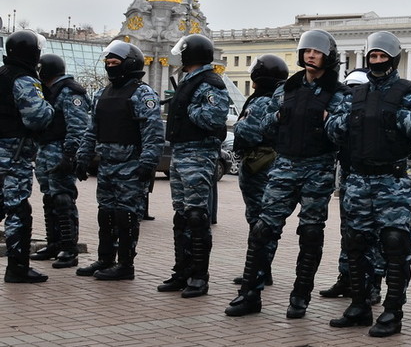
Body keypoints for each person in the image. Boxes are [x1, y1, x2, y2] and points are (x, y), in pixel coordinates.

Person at [225, 30, 349, 319]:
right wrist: (278, 118)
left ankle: (300, 297)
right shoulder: (286, 89)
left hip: (317, 170)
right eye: (306, 50)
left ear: (328, 56)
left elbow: (344, 134)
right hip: (284, 167)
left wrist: (329, 121)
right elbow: (265, 127)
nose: (310, 54)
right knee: (263, 230)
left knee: (310, 233)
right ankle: (249, 295)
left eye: (316, 51)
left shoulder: (340, 94)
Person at [325, 31, 411, 337]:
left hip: (392, 180)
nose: (377, 62)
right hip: (358, 180)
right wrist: (347, 120)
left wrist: (396, 117)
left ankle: (392, 311)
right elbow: (332, 128)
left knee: (394, 245)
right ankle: (360, 304)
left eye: (382, 57)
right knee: (356, 244)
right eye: (373, 57)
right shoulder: (354, 93)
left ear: (393, 59)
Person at [74, 40, 164, 280]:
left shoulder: (142, 94)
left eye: (115, 63)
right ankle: (105, 259)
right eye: (108, 63)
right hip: (106, 166)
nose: (110, 67)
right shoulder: (102, 94)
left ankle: (125, 265)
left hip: (131, 166)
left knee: (126, 215)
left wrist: (147, 163)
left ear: (129, 64)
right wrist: (83, 156)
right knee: (106, 214)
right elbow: (92, 129)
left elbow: (153, 133)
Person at [156, 34, 229, 298]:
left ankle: (199, 277)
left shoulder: (210, 82)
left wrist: (189, 110)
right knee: (182, 215)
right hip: (181, 152)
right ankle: (182, 272)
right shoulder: (190, 80)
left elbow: (214, 117)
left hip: (199, 152)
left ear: (192, 54)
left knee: (197, 216)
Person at [319, 68, 384, 305]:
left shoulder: (375, 111)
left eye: (357, 89)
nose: (352, 93)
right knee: (349, 233)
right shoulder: (347, 109)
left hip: (374, 179)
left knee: (374, 235)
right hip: (349, 175)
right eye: (350, 88)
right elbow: (334, 134)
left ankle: (374, 284)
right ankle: (346, 278)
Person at [229, 54, 289, 288]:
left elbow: (249, 131)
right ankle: (260, 269)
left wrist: (240, 125)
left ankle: (258, 272)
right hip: (258, 162)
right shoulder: (268, 98)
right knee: (257, 219)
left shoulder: (264, 101)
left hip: (260, 164)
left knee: (260, 221)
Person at [0, 30, 55, 283]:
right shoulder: (24, 80)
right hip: (15, 154)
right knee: (18, 210)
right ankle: (18, 267)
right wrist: (49, 104)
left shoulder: (1, 75)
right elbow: (38, 117)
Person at [30, 54, 90, 269]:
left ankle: (69, 248)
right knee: (50, 199)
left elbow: (78, 126)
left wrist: (70, 156)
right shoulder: (47, 91)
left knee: (63, 199)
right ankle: (53, 243)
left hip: (61, 151)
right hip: (46, 151)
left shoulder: (70, 92)